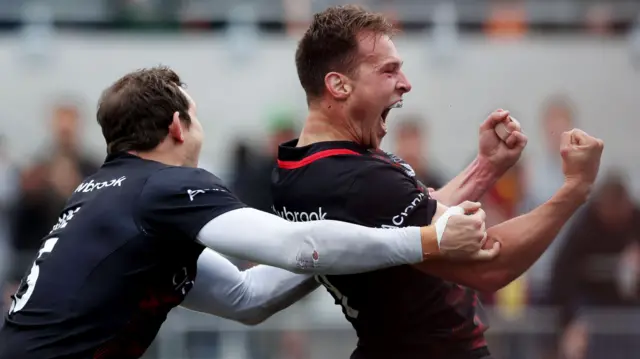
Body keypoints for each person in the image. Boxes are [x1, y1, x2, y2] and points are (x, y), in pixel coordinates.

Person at [0, 67, 496, 359]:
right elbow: (298, 247)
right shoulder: (165, 186)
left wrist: (378, 234)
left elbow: (247, 297)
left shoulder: (107, 192)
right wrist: (425, 240)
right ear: (177, 126)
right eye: (195, 115)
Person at [271, 5, 604, 359]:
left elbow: (403, 216)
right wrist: (575, 189)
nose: (406, 83)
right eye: (389, 70)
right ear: (339, 84)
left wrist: (484, 169)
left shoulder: (297, 169)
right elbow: (490, 264)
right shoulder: (356, 179)